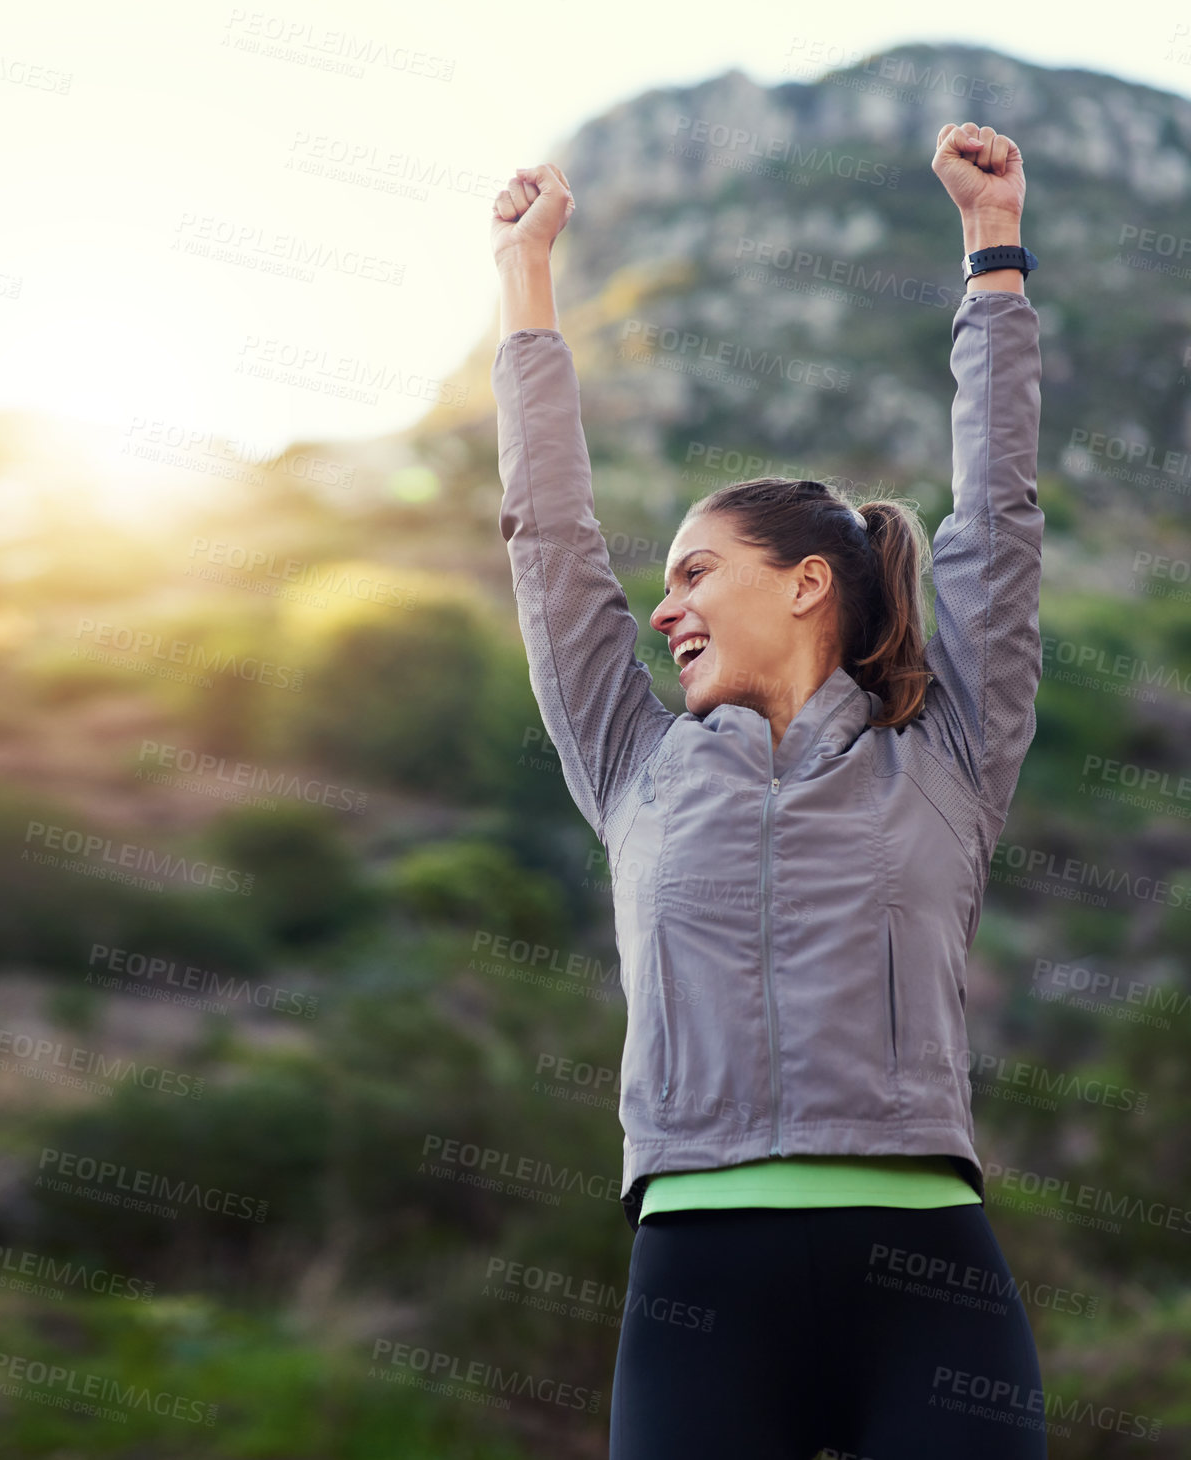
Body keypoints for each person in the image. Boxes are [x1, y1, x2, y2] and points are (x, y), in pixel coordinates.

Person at [488, 123, 1047, 1458]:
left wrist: (994, 255)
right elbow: (552, 546)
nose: (662, 604)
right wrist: (524, 278)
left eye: (694, 571)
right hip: (699, 1288)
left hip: (930, 1283)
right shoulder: (636, 766)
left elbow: (998, 524)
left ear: (805, 582)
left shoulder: (948, 755)